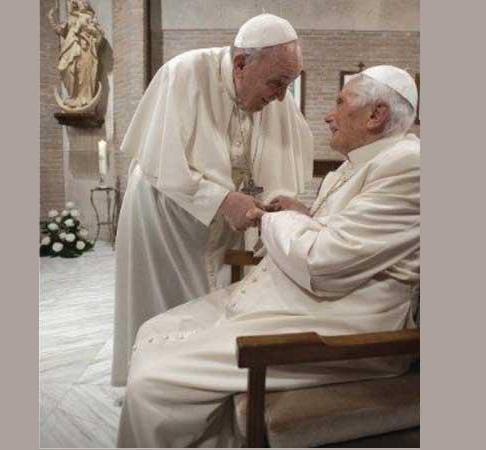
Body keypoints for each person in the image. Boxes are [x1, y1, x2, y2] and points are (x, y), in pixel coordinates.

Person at [116, 65, 420, 448]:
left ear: (376, 115)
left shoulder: (408, 165)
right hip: (307, 303)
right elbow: (355, 239)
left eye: (340, 102)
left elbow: (320, 260)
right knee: (152, 331)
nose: (328, 114)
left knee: (152, 383)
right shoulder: (360, 164)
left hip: (344, 324)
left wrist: (270, 218)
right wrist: (307, 214)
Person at [111, 13, 314, 386]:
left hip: (226, 223)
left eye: (289, 84)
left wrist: (278, 198)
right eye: (277, 83)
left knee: (216, 303)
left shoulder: (274, 94)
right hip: (165, 215)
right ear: (241, 64)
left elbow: (288, 151)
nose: (281, 97)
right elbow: (160, 159)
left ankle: (200, 382)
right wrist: (220, 200)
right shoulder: (184, 73)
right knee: (164, 302)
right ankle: (154, 380)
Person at [47, 0, 104, 109]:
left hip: (84, 49)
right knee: (64, 68)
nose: (72, 5)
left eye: (75, 3)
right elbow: (60, 30)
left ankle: (83, 98)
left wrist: (87, 32)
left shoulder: (88, 18)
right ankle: (73, 96)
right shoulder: (70, 19)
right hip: (70, 48)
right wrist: (51, 18)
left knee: (83, 73)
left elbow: (98, 35)